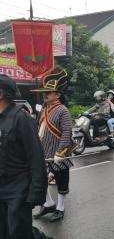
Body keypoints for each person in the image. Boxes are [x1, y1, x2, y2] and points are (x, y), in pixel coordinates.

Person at [0, 75, 47, 238]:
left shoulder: (22, 118)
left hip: (18, 190)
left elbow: (36, 158)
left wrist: (37, 192)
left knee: (19, 232)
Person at [31, 70, 74, 223]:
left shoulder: (63, 110)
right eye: (45, 93)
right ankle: (48, 204)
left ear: (58, 94)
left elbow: (67, 132)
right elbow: (39, 130)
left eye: (49, 93)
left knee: (61, 181)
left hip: (58, 152)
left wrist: (60, 152)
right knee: (41, 179)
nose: (45, 95)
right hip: (44, 151)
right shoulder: (44, 109)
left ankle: (60, 209)